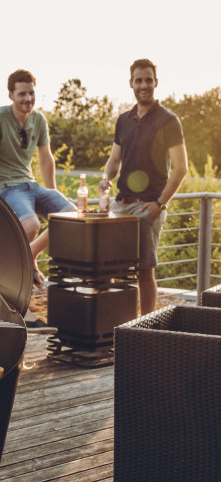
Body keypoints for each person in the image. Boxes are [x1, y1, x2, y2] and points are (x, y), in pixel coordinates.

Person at [0, 69, 75, 331]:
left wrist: (53, 193)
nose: (28, 98)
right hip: (7, 187)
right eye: (22, 93)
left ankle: (30, 254)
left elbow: (46, 158)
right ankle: (27, 259)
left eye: (31, 92)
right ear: (11, 95)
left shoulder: (38, 120)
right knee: (30, 226)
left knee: (73, 216)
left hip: (32, 185)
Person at [100, 59, 188, 314]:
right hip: (119, 206)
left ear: (156, 83)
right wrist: (107, 177)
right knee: (109, 268)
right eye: (138, 80)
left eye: (148, 79)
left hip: (147, 208)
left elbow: (181, 168)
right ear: (131, 83)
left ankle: (145, 328)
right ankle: (112, 323)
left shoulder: (169, 120)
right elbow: (114, 160)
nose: (144, 85)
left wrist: (159, 206)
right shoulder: (123, 120)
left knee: (144, 271)